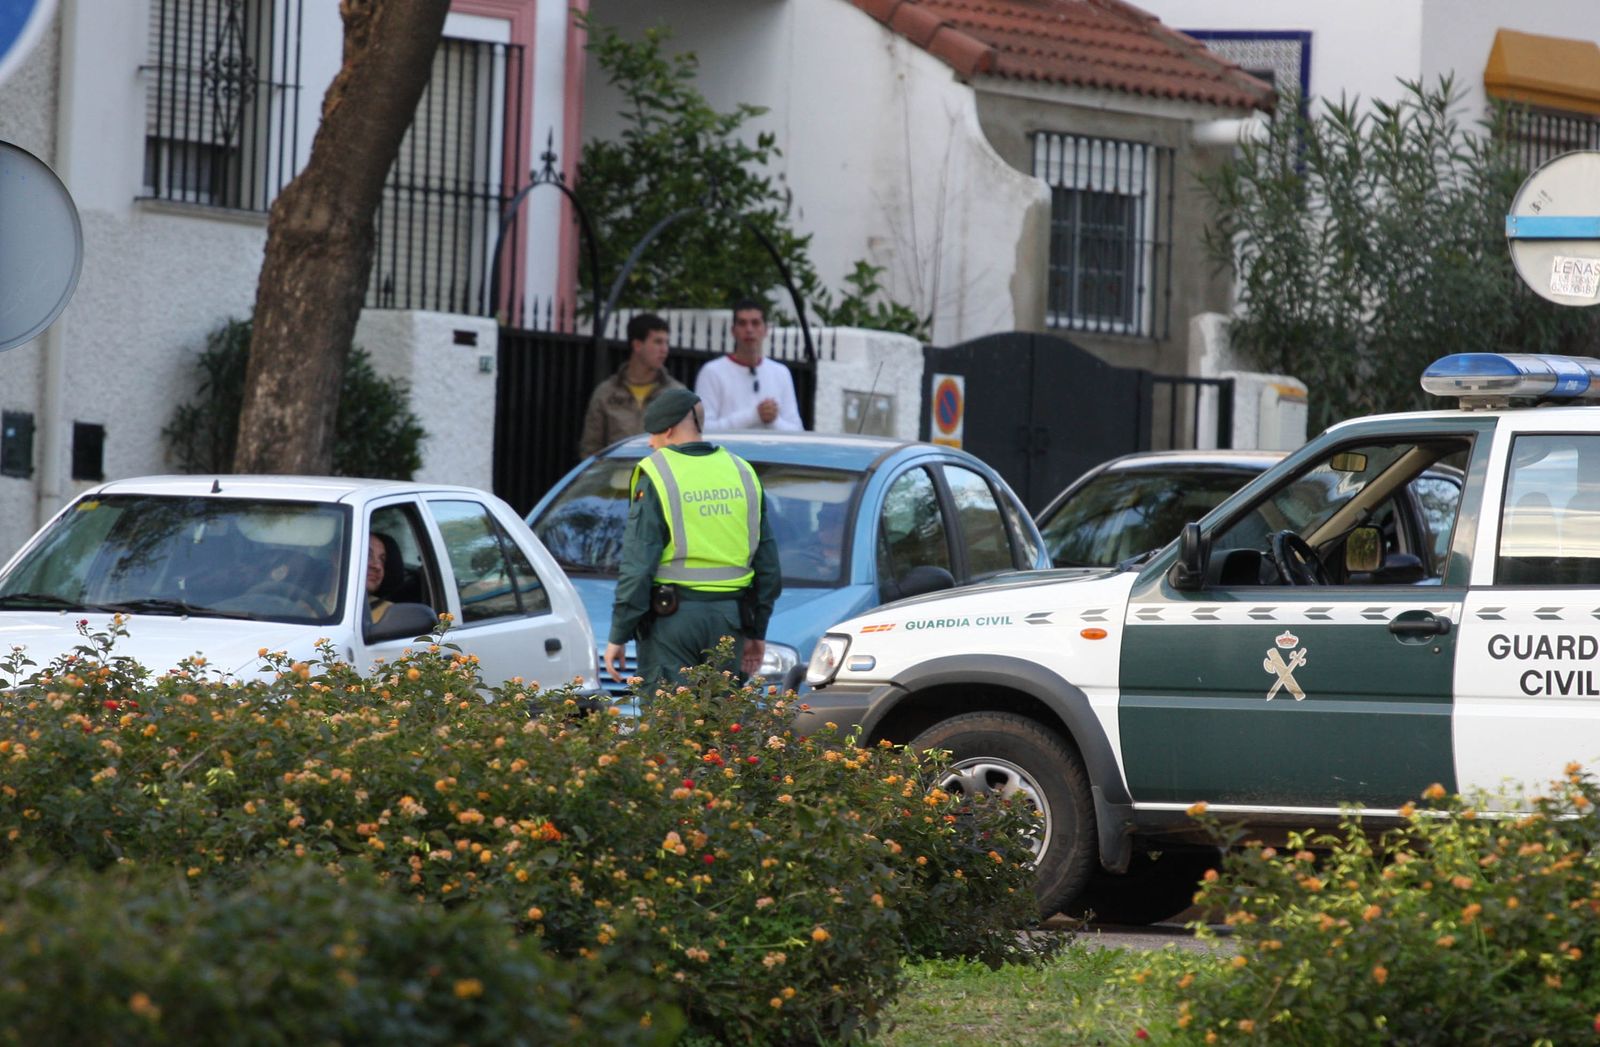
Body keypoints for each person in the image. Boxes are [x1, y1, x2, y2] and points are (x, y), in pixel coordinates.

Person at [603, 387, 783, 690]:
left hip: (672, 623)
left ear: (669, 430)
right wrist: (756, 632)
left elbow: (638, 564)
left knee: (671, 726)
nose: (650, 442)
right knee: (720, 726)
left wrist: (619, 634)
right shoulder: (742, 472)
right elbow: (768, 567)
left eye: (654, 434)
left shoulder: (658, 473)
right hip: (730, 620)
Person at [578, 312, 684, 458]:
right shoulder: (606, 392)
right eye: (658, 342)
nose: (664, 349)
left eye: (666, 342)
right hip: (615, 478)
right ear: (637, 345)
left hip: (658, 478)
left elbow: (685, 447)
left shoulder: (676, 394)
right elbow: (591, 449)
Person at [694, 299, 803, 432]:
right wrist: (754, 415)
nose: (749, 329)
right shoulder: (712, 372)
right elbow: (703, 428)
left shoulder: (781, 373)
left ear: (765, 330)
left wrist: (773, 420)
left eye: (755, 323)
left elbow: (797, 430)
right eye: (742, 323)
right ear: (733, 331)